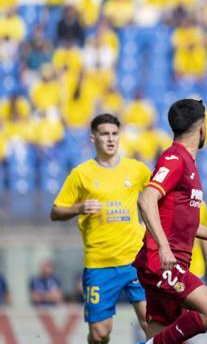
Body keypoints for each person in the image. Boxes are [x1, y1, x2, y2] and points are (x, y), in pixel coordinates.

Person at [134, 98, 207, 344]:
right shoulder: (175, 158)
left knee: (167, 336)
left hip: (171, 262)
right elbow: (146, 199)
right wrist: (162, 246)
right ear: (203, 127)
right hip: (162, 262)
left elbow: (182, 222)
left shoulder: (187, 163)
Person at [50, 113, 152, 343]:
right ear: (93, 137)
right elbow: (55, 211)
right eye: (104, 134)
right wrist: (79, 208)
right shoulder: (81, 174)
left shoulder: (137, 170)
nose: (110, 139)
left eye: (115, 133)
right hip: (100, 264)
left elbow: (157, 197)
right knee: (100, 334)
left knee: (150, 323)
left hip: (136, 260)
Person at [189, 201, 207, 281]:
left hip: (196, 265)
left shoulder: (202, 206)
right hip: (177, 265)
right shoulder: (175, 203)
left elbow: (205, 237)